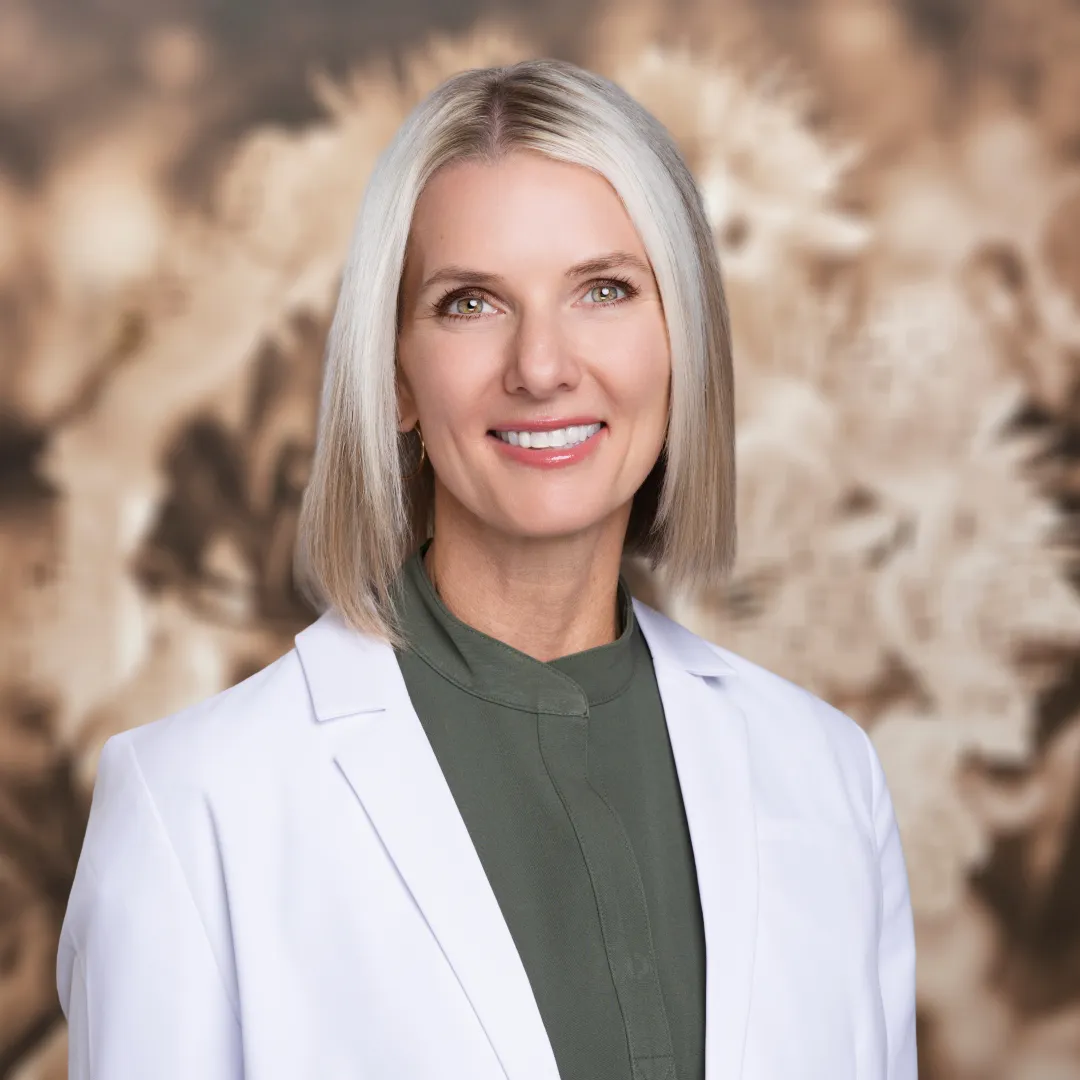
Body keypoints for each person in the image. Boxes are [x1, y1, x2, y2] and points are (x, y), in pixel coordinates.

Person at [56, 58, 917, 1080]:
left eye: (604, 290)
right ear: (395, 375)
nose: (542, 366)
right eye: (471, 303)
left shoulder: (829, 777)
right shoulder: (194, 807)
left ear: (682, 342)